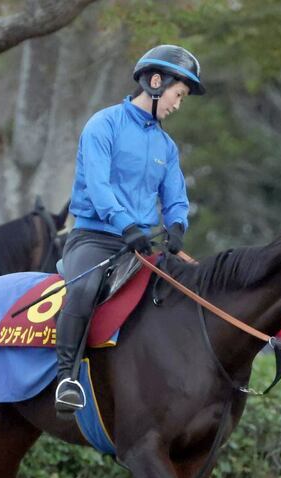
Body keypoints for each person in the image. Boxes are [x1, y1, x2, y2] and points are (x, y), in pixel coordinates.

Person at [54, 44, 205, 415]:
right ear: (155, 82)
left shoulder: (166, 147)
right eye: (177, 95)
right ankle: (66, 379)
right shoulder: (102, 125)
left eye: (182, 98)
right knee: (86, 288)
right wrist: (127, 225)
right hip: (94, 238)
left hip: (141, 245)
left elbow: (176, 199)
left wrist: (176, 227)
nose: (177, 105)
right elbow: (99, 188)